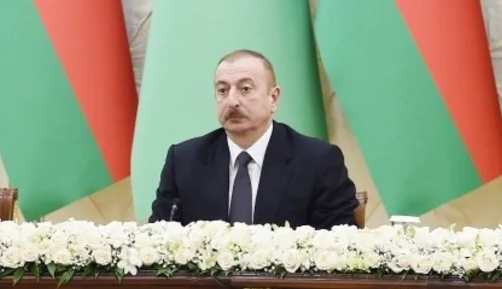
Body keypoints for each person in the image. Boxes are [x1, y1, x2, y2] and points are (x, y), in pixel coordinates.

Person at [148, 49, 359, 229]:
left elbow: (338, 244)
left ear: (273, 98)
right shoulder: (184, 161)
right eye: (223, 90)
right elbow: (158, 239)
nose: (232, 101)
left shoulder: (318, 161)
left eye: (245, 89)